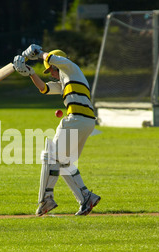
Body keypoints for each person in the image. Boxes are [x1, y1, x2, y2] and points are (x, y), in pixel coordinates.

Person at [13, 45, 100, 216]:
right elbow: (44, 89)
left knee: (49, 155)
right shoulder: (66, 81)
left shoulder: (71, 68)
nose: (52, 74)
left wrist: (38, 53)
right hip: (86, 122)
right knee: (63, 161)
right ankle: (86, 197)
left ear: (56, 66)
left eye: (51, 71)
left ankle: (46, 199)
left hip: (76, 119)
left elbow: (51, 58)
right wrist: (30, 72)